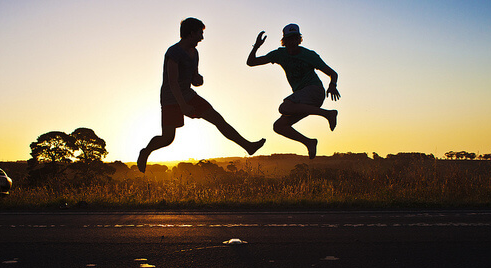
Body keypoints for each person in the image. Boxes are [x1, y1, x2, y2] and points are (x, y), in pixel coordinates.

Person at [138, 18, 265, 172]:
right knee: (167, 138)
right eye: (200, 33)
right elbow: (172, 82)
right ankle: (145, 152)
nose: (202, 37)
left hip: (187, 94)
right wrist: (183, 105)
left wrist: (198, 80)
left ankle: (248, 146)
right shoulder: (174, 52)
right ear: (191, 33)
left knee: (217, 118)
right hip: (171, 98)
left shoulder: (195, 53)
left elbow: (193, 78)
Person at [247, 23, 340, 159]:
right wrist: (256, 46)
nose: (292, 42)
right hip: (302, 101)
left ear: (299, 39)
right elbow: (251, 62)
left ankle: (328, 114)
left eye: (295, 38)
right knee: (279, 126)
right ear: (284, 41)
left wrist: (332, 85)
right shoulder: (279, 54)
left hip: (315, 92)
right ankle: (309, 142)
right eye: (289, 39)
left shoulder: (309, 55)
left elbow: (333, 73)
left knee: (284, 107)